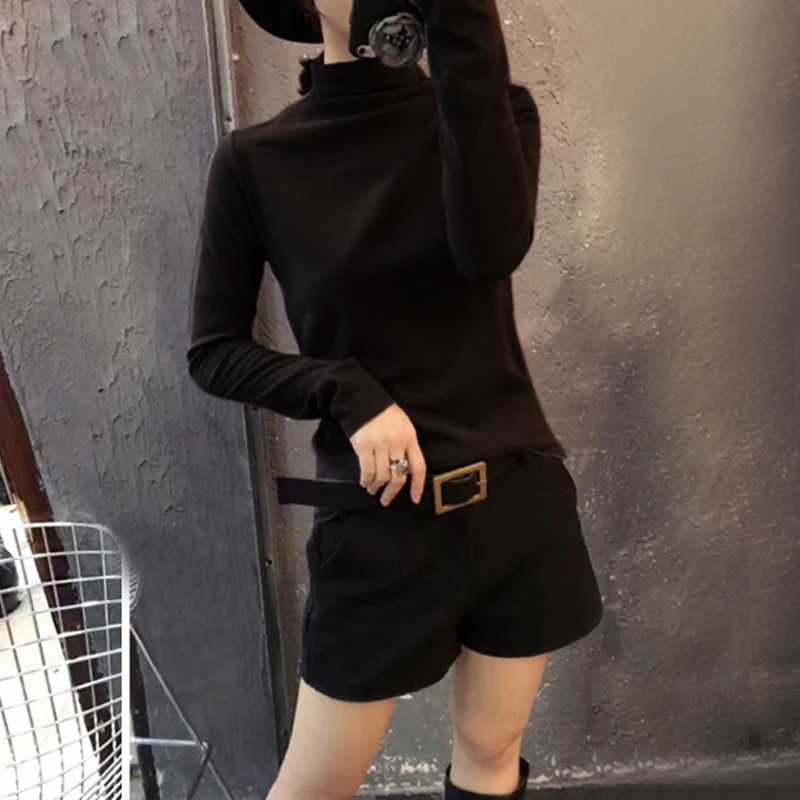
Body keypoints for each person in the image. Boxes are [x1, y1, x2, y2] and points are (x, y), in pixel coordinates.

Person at [187, 1, 604, 798]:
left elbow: (488, 251)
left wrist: (463, 29)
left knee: (492, 753)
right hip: (380, 523)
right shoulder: (256, 162)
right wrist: (344, 390)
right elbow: (214, 353)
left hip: (516, 507)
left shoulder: (490, 118)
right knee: (313, 786)